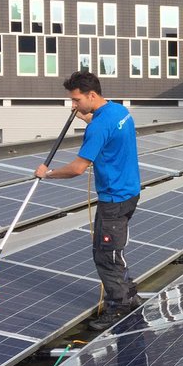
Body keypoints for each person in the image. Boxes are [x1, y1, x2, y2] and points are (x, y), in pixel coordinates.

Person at [34, 71, 141, 330]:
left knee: (106, 255)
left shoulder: (98, 127)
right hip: (130, 192)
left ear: (91, 95)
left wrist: (47, 174)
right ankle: (130, 295)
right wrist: (88, 117)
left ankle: (118, 307)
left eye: (76, 100)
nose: (73, 106)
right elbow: (106, 128)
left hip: (113, 199)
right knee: (114, 250)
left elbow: (78, 168)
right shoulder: (117, 111)